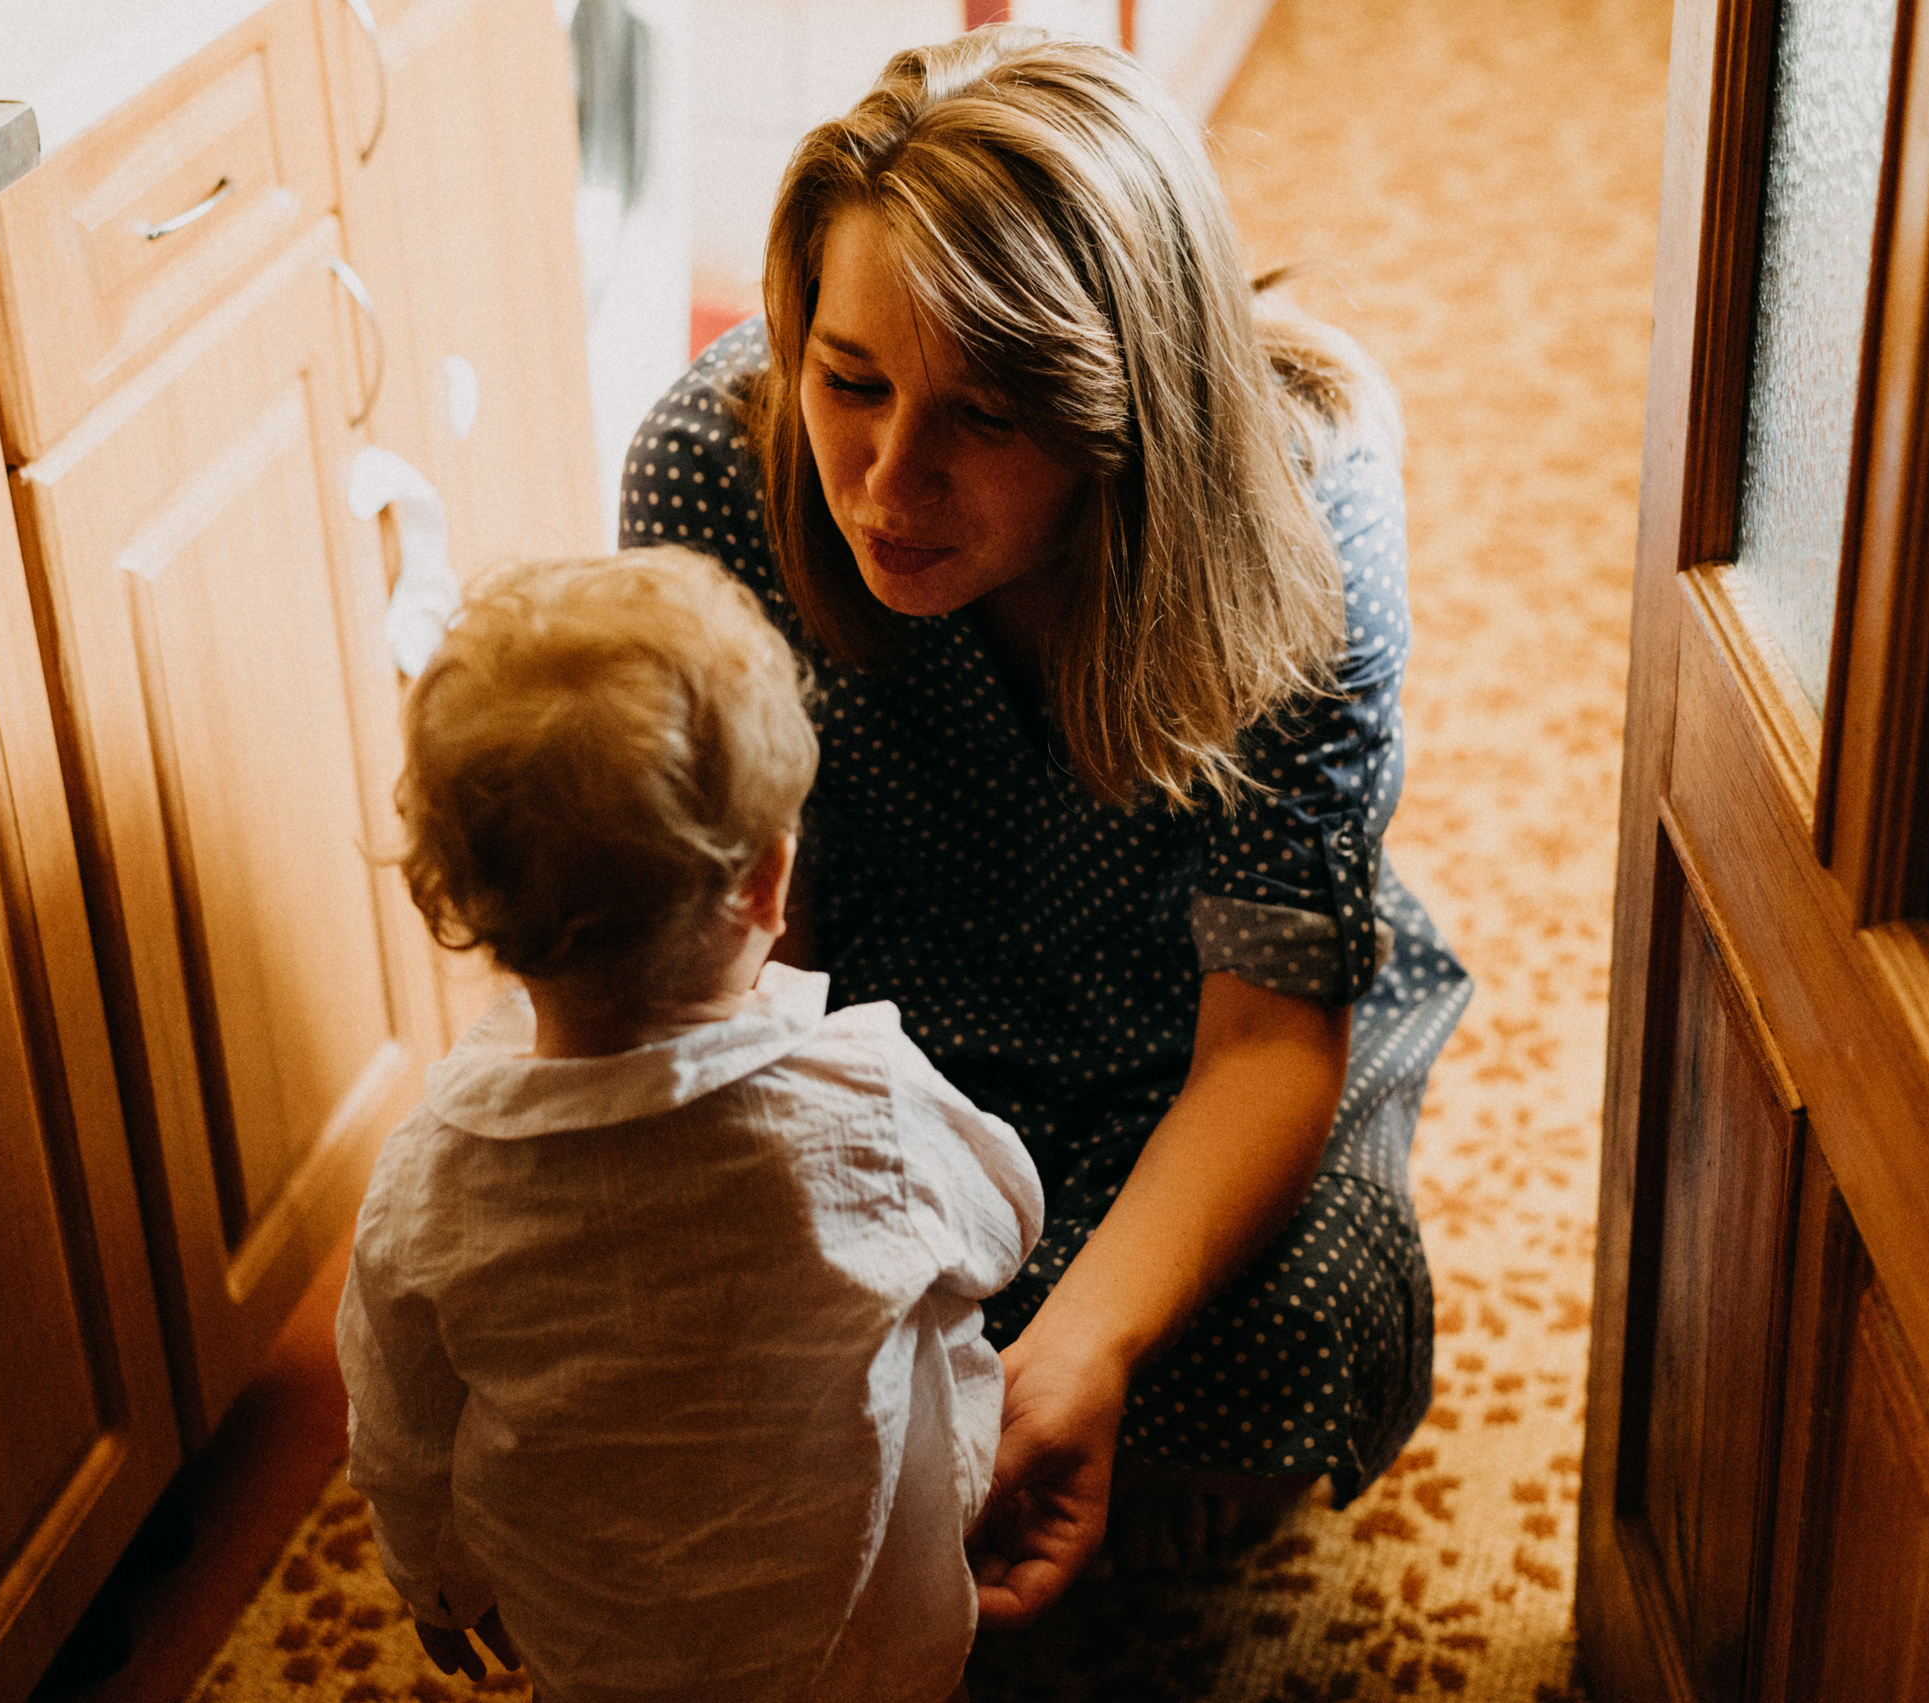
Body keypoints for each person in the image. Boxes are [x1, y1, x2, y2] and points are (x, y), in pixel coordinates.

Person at [620, 27, 1473, 1624]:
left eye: (986, 419)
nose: (886, 480)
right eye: (848, 379)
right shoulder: (708, 465)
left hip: (1194, 1012)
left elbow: (1270, 1037)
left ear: (1121, 411)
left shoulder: (1304, 512)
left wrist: (1082, 1348)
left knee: (1280, 1320)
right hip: (881, 1002)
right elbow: (750, 964)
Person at [336, 548, 1045, 1703]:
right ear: (770, 880)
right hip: (864, 1622)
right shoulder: (860, 1094)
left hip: (604, 1641)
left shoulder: (428, 1180)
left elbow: (401, 1426)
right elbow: (1003, 1220)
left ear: (457, 905)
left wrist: (431, 1575)